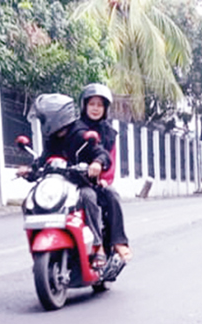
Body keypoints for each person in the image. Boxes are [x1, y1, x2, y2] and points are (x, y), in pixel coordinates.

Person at [19, 93, 106, 259]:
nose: (43, 123)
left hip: (80, 184)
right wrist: (29, 171)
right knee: (29, 201)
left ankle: (97, 246)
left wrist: (97, 163)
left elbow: (100, 152)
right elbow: (43, 161)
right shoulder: (52, 138)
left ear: (56, 116)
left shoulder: (81, 133)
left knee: (89, 197)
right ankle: (38, 242)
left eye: (44, 118)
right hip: (57, 185)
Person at [75, 83, 131, 262]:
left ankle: (116, 242)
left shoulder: (109, 133)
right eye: (92, 104)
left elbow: (111, 159)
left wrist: (104, 179)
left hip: (98, 182)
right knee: (86, 195)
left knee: (112, 194)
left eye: (100, 105)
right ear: (84, 105)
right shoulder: (74, 129)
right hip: (75, 181)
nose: (95, 108)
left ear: (105, 108)